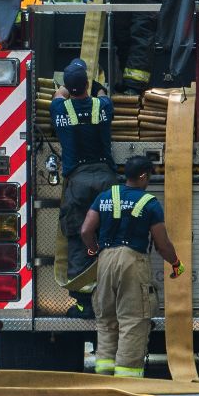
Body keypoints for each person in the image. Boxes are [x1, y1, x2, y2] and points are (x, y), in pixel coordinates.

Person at [80, 155, 183, 377]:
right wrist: (176, 264)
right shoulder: (150, 203)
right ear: (144, 175)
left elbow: (85, 231)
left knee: (106, 320)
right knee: (133, 321)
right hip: (132, 261)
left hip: (105, 260)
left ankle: (104, 375)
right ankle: (127, 380)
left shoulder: (105, 197)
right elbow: (162, 244)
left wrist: (94, 250)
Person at [54, 58, 117, 312]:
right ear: (87, 84)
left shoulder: (60, 108)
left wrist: (69, 87)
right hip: (105, 179)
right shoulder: (102, 106)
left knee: (80, 237)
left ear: (69, 86)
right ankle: (111, 295)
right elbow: (103, 96)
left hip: (78, 182)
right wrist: (98, 86)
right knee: (111, 237)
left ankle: (84, 303)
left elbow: (59, 94)